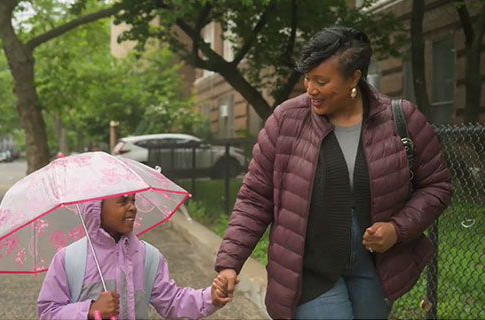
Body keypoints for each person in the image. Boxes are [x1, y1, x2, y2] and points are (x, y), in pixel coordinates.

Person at [212, 26, 452, 319]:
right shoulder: (286, 121)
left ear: (354, 78)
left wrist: (397, 229)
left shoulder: (401, 119)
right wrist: (229, 263)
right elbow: (255, 197)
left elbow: (437, 186)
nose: (310, 89)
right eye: (308, 78)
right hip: (309, 272)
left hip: (375, 270)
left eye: (321, 81)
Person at [38, 194, 226, 320]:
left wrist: (210, 298)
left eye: (133, 201)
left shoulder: (147, 256)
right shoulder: (69, 259)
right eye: (122, 202)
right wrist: (88, 310)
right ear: (96, 208)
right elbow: (47, 312)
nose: (133, 208)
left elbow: (173, 301)